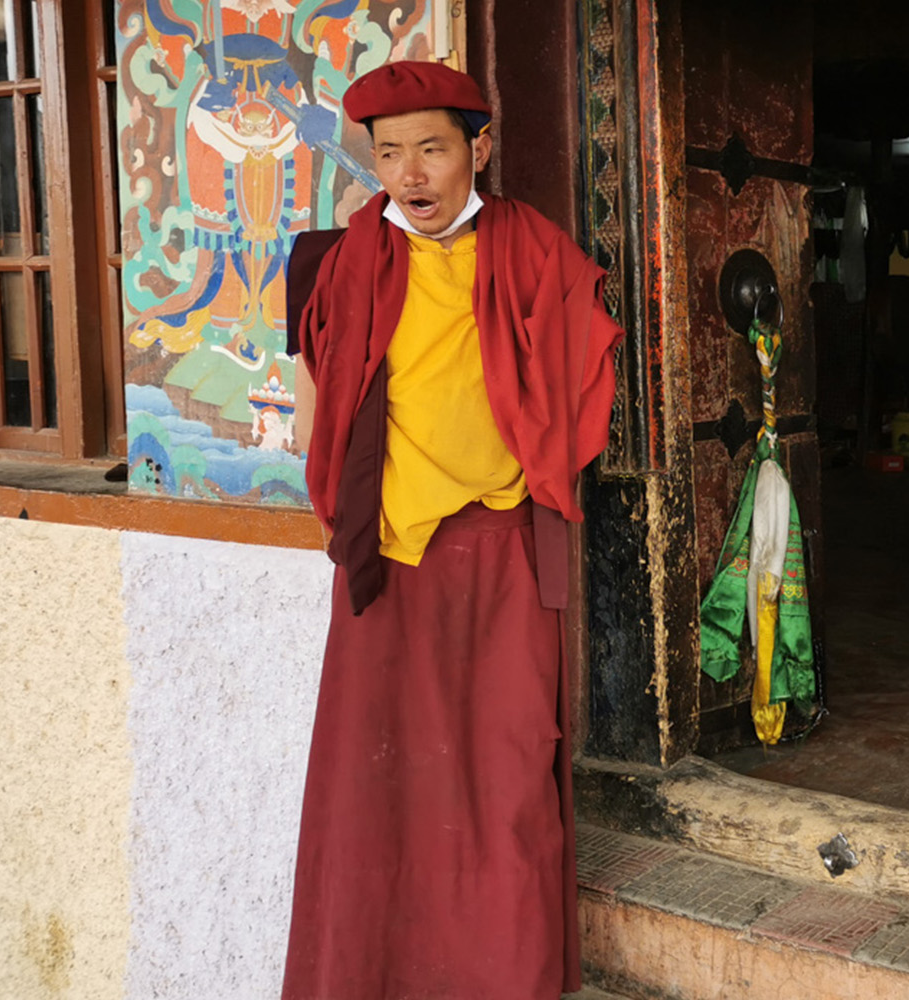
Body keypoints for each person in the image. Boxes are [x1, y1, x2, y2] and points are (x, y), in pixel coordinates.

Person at [280, 60, 622, 999]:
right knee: (378, 785)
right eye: (389, 155)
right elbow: (317, 418)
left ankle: (501, 976)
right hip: (390, 557)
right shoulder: (341, 259)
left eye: (431, 149)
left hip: (502, 549)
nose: (411, 176)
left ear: (479, 147)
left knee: (507, 778)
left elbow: (582, 376)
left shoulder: (532, 249)